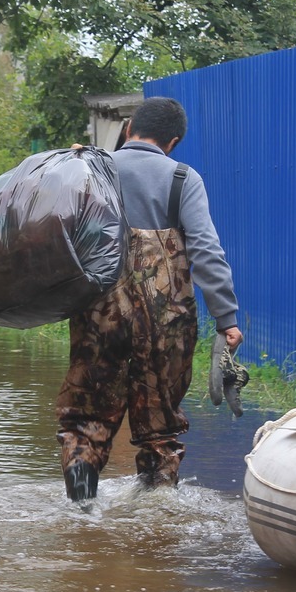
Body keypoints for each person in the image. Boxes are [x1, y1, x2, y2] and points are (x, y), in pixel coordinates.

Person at [57, 96, 242, 500]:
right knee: (160, 428)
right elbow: (207, 252)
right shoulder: (182, 178)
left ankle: (82, 513)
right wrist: (226, 318)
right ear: (172, 141)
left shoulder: (90, 169)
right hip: (166, 324)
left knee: (87, 421)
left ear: (128, 129)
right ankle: (155, 522)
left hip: (98, 317)